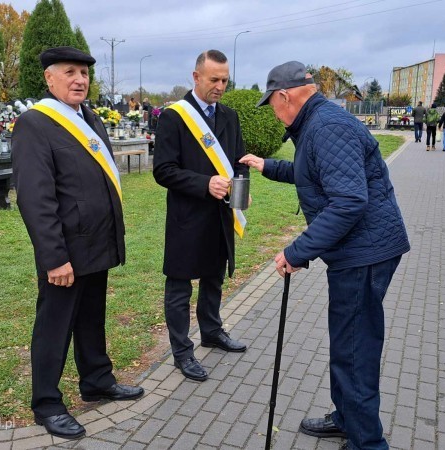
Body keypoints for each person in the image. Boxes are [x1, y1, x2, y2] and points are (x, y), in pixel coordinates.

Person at [240, 61, 410, 450]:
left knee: (354, 350)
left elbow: (349, 200)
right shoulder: (319, 123)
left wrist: (297, 252)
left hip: (363, 253)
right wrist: (267, 166)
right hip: (360, 249)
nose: (274, 113)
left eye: (272, 105)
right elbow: (313, 171)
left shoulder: (327, 126)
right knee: (347, 343)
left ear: (285, 96)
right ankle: (347, 416)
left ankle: (367, 442)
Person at [12, 46, 144, 440]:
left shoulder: (88, 118)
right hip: (65, 252)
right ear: (49, 79)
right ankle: (47, 403)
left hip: (96, 243)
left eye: (84, 73)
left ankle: (97, 380)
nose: (79, 79)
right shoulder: (35, 124)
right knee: (55, 327)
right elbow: (35, 199)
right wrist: (54, 258)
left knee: (91, 318)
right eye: (69, 72)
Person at [153, 49, 249, 382]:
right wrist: (204, 183)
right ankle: (182, 351)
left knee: (213, 278)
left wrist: (240, 194)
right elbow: (163, 171)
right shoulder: (174, 116)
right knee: (179, 287)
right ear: (196, 77)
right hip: (187, 216)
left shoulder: (230, 117)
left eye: (225, 80)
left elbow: (236, 162)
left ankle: (211, 330)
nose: (220, 86)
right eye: (214, 80)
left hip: (219, 216)